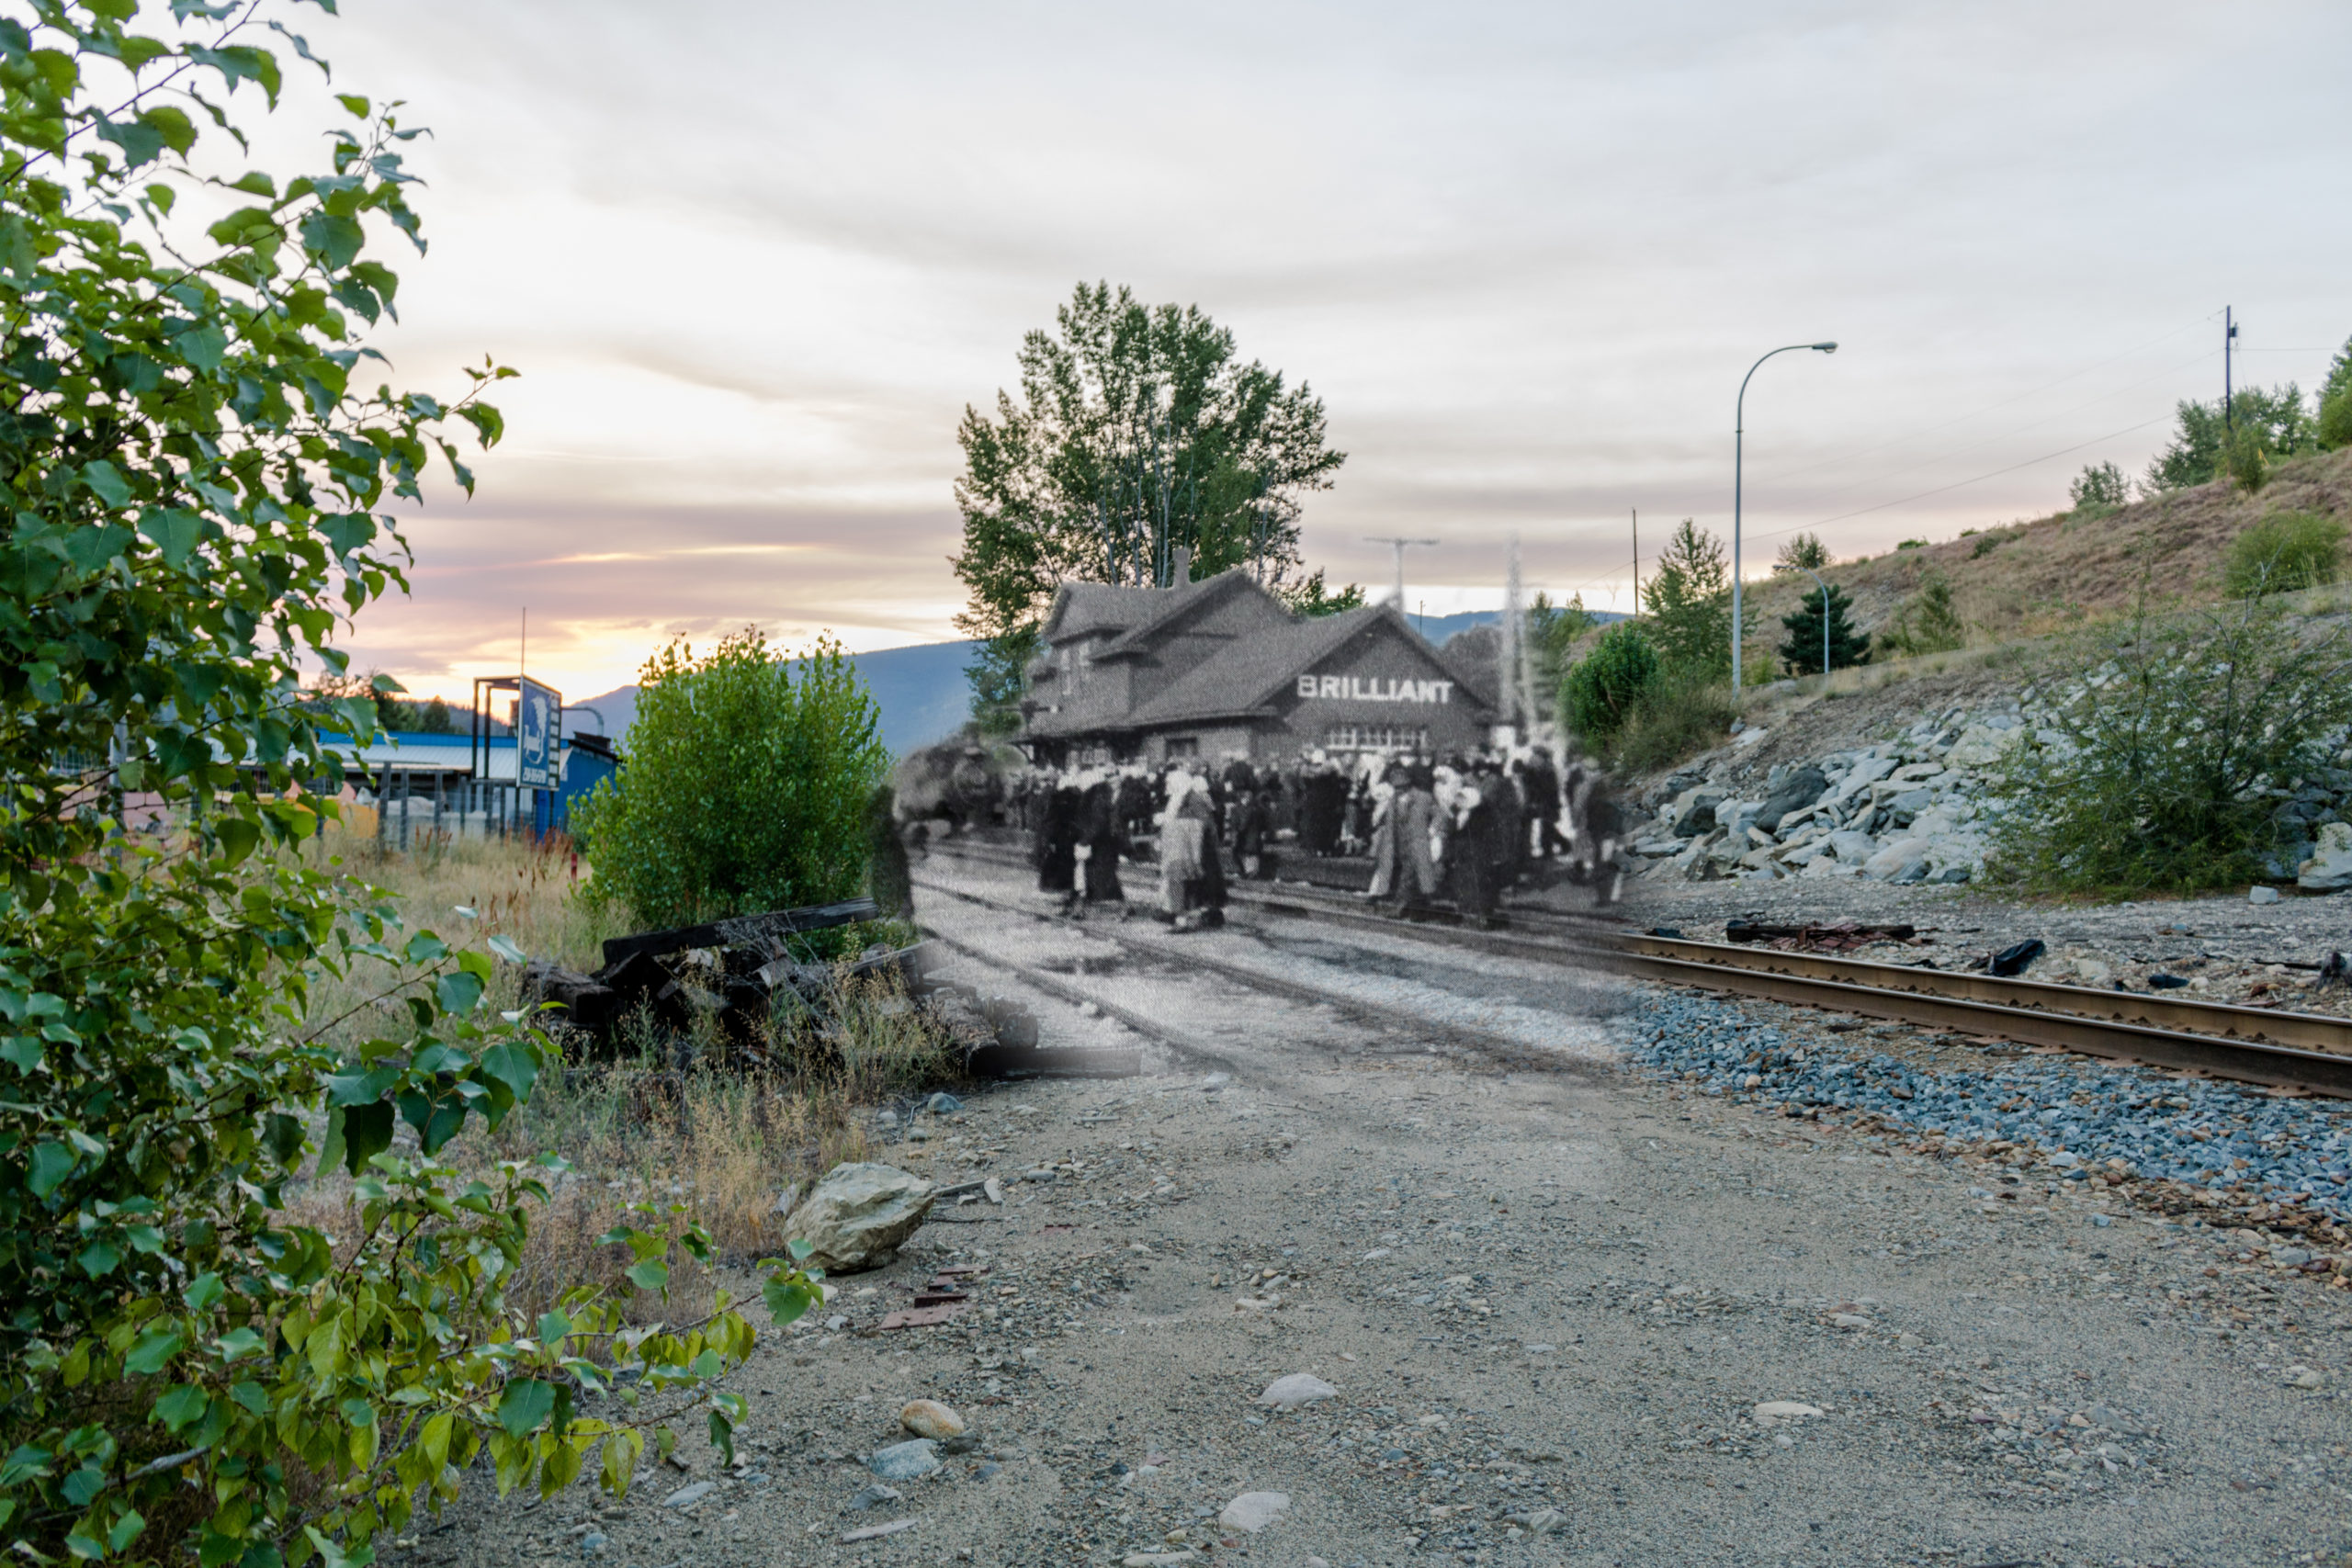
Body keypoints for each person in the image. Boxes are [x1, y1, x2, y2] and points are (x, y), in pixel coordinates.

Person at [1391, 761, 1441, 916]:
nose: (1398, 790)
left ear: (1408, 785)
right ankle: (1418, 910)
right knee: (1413, 878)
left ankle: (1399, 908)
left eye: (1401, 787)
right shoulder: (1394, 801)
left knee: (1409, 877)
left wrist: (1433, 829)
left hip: (1419, 843)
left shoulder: (1424, 798)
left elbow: (1439, 814)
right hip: (1403, 845)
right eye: (1396, 787)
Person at [1075, 766, 1125, 914]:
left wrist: (1085, 841)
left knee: (1103, 877)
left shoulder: (1096, 797)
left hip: (1100, 844)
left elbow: (1098, 822)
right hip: (1101, 842)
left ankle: (1122, 907)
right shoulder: (1098, 794)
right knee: (1098, 876)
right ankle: (1080, 907)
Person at [1035, 766, 1080, 908]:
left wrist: (1050, 839)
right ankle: (1072, 894)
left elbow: (1051, 820)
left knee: (1060, 866)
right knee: (1072, 866)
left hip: (1061, 838)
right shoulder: (1079, 797)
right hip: (1073, 836)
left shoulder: (1057, 799)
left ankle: (1065, 895)